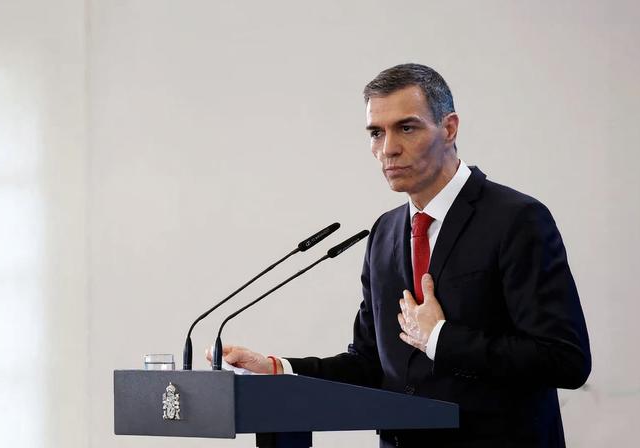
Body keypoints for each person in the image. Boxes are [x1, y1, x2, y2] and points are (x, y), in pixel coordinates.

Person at [207, 63, 591, 447]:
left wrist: (441, 338)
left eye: (406, 128)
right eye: (376, 133)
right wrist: (278, 370)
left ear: (450, 128)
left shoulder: (516, 219)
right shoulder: (384, 233)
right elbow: (370, 364)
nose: (388, 148)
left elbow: (565, 359)